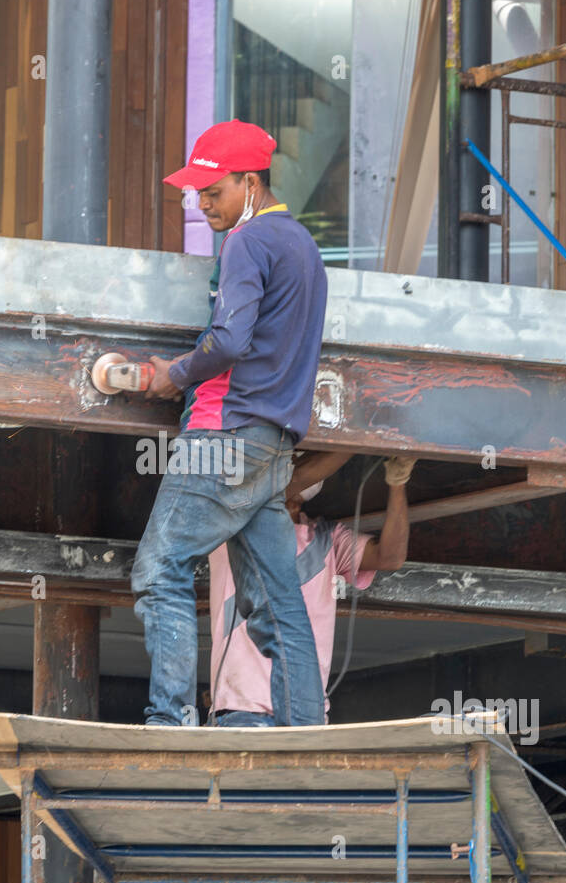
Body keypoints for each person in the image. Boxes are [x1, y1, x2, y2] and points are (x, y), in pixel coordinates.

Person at [131, 119, 328, 727]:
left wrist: (175, 374)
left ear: (250, 181)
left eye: (213, 191)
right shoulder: (306, 248)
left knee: (158, 569)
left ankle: (168, 723)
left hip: (222, 436)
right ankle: (307, 735)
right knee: (276, 606)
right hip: (272, 448)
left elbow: (229, 339)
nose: (201, 203)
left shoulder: (247, 243)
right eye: (197, 192)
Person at [207, 454, 414, 726]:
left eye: (297, 458)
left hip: (306, 714)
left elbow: (390, 557)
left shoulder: (326, 539)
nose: (293, 465)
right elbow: (293, 480)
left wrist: (398, 482)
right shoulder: (239, 516)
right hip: (242, 711)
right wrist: (360, 441)